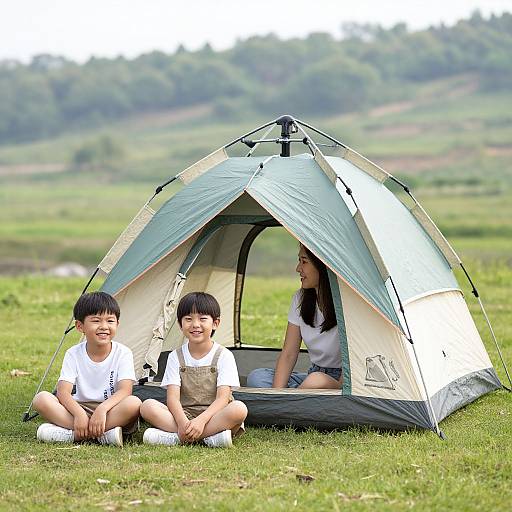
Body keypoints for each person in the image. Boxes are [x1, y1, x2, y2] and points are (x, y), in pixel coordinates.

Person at [33, 292, 141, 446]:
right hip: (80, 407)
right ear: (80, 326)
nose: (104, 326)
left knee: (134, 403)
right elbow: (63, 392)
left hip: (111, 409)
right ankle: (102, 435)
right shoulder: (73, 353)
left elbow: (125, 391)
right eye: (96, 321)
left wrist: (102, 410)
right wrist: (79, 414)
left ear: (117, 323)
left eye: (110, 321)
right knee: (41, 399)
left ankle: (72, 435)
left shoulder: (123, 353)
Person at [140, 292, 247, 448]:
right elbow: (173, 399)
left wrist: (201, 421)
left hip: (215, 415)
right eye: (188, 319)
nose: (195, 324)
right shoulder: (175, 356)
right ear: (180, 324)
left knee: (239, 409)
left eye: (203, 319)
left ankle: (178, 437)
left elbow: (222, 399)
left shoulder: (224, 355)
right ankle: (209, 438)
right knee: (147, 406)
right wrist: (183, 423)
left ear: (215, 323)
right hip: (184, 414)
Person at [247, 244, 342, 389]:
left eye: (304, 262)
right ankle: (296, 399)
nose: (298, 269)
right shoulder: (300, 298)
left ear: (323, 264)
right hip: (313, 374)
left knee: (316, 381)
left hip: (342, 379)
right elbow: (289, 353)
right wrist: (277, 392)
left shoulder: (345, 302)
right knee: (258, 378)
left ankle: (296, 400)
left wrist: (343, 390)